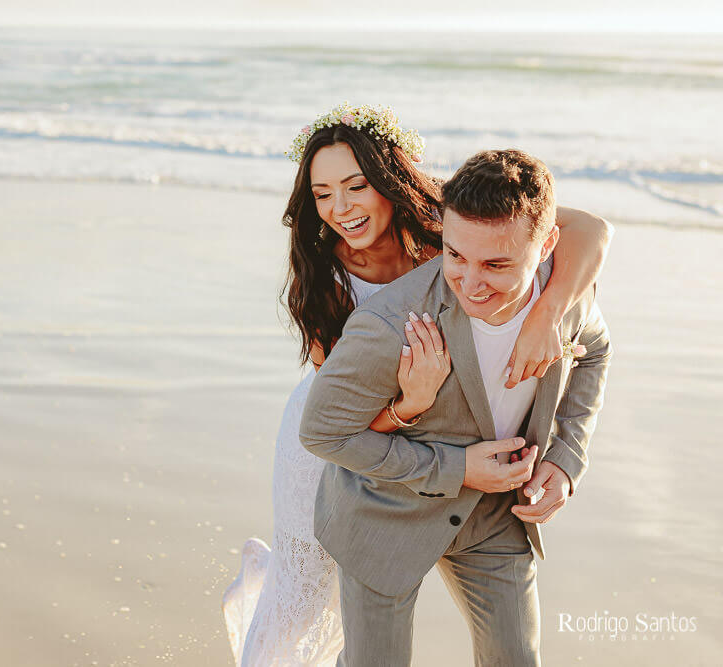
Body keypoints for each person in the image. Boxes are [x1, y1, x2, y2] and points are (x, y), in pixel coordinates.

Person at [222, 105, 613, 666]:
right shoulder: (325, 279)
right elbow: (343, 430)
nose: (341, 208)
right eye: (323, 193)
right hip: (361, 427)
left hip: (441, 444)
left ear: (388, 180)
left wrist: (550, 312)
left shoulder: (454, 218)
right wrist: (412, 402)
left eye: (356, 185)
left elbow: (591, 230)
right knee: (305, 592)